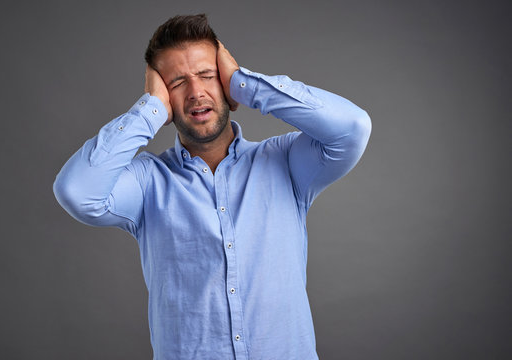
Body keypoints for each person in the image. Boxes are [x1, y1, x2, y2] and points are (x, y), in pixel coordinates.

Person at [53, 13, 371, 360]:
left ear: (226, 86)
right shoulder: (148, 182)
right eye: (177, 83)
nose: (195, 92)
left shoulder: (285, 162)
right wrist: (149, 111)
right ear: (165, 100)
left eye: (207, 76)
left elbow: (352, 128)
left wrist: (244, 83)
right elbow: (76, 191)